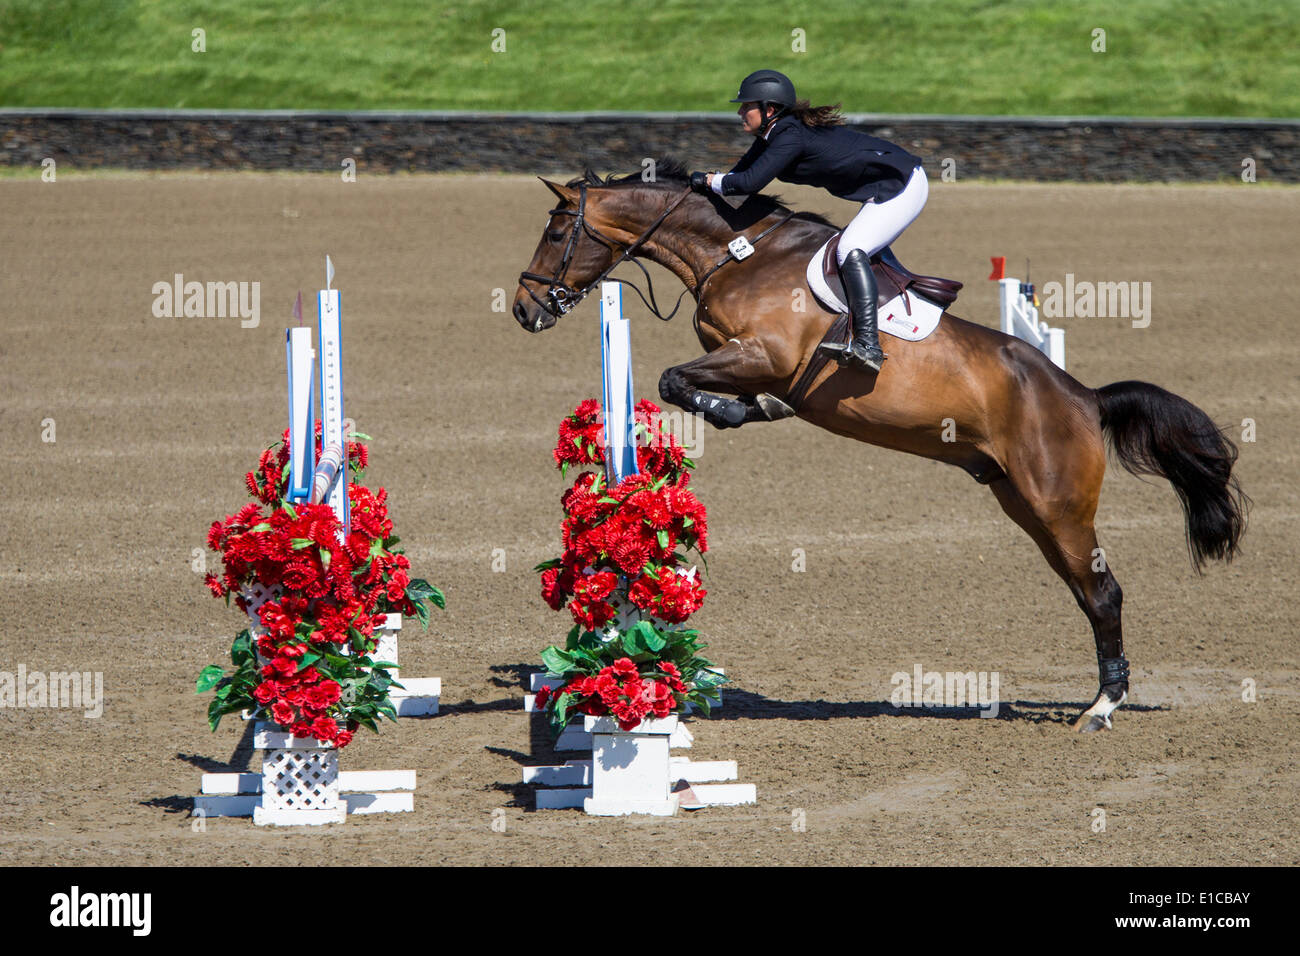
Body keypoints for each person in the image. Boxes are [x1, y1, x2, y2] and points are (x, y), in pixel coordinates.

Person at [691, 70, 928, 372]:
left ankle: (868, 345)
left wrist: (707, 180)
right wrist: (707, 188)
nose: (739, 111)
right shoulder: (772, 135)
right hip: (881, 188)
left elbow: (748, 183)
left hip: (901, 186)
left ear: (769, 109)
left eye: (745, 105)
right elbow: (736, 177)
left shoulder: (788, 137)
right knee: (858, 246)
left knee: (849, 249)